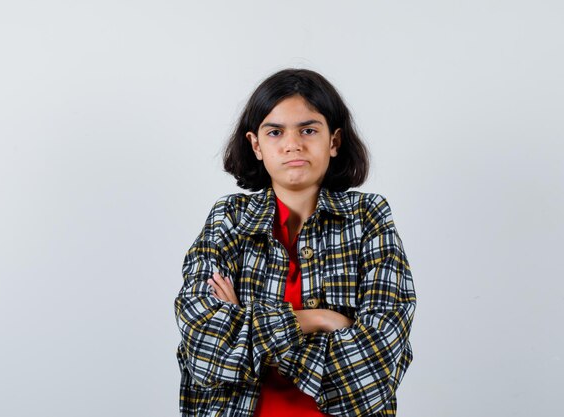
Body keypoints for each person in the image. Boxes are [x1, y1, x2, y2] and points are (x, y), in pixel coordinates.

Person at [174, 68, 416, 416]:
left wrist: (245, 326)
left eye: (308, 130)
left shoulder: (369, 218)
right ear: (256, 145)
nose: (293, 144)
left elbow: (373, 375)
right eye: (275, 132)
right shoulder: (228, 217)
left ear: (333, 142)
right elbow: (205, 353)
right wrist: (318, 319)